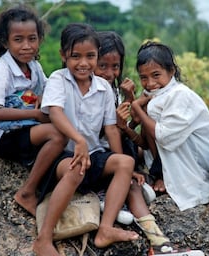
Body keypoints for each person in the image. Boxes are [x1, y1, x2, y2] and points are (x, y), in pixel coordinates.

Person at [32, 23, 139, 256]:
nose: (83, 63)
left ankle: (106, 229)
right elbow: (56, 113)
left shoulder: (103, 87)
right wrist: (78, 140)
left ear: (97, 55)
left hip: (93, 153)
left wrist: (119, 158)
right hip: (63, 156)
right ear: (63, 56)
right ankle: (44, 238)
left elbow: (110, 129)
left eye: (90, 56)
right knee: (76, 168)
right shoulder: (58, 80)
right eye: (75, 56)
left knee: (125, 163)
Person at [0, 5, 67, 217]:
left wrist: (43, 100)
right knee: (57, 134)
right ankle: (27, 192)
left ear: (40, 40)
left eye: (32, 39)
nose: (26, 46)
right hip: (1, 134)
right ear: (5, 41)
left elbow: (49, 89)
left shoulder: (34, 68)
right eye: (18, 40)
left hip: (23, 128)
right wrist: (36, 114)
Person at [94, 31, 176, 254]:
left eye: (115, 67)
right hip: (101, 154)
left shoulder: (110, 90)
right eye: (103, 66)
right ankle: (158, 241)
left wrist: (130, 99)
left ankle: (160, 243)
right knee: (131, 181)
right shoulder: (90, 90)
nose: (110, 73)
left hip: (113, 150)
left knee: (139, 151)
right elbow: (110, 131)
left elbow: (132, 123)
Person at [131, 41, 209, 212]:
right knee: (151, 113)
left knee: (153, 117)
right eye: (144, 77)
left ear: (171, 71)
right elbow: (146, 141)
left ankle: (169, 179)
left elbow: (165, 137)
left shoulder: (180, 95)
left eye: (156, 75)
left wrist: (137, 108)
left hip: (194, 165)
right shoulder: (154, 95)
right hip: (167, 156)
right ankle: (160, 174)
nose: (150, 83)